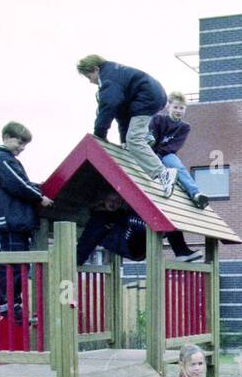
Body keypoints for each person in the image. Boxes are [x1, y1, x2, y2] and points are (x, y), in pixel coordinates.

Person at [0, 121, 53, 323]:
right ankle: (8, 305)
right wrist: (40, 196)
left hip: (16, 221)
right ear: (6, 137)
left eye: (25, 145)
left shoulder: (7, 160)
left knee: (17, 265)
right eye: (19, 142)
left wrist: (39, 187)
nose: (22, 148)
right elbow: (18, 184)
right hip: (10, 220)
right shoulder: (1, 160)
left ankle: (13, 303)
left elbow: (23, 183)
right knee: (13, 264)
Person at [75, 54, 175, 188]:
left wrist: (99, 134)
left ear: (95, 69)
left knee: (134, 139)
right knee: (130, 140)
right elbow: (122, 116)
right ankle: (145, 136)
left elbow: (108, 106)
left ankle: (163, 173)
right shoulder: (115, 74)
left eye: (89, 76)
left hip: (146, 98)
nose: (90, 81)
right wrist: (123, 141)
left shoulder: (108, 80)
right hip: (150, 96)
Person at [151, 91, 209, 207]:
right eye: (176, 107)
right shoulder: (158, 120)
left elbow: (174, 146)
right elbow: (151, 139)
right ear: (168, 107)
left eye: (181, 108)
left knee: (178, 166)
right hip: (152, 153)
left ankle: (196, 193)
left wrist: (160, 155)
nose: (178, 111)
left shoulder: (184, 127)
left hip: (167, 155)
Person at [76, 191, 146, 266]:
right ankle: (152, 224)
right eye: (110, 200)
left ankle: (152, 226)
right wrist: (77, 260)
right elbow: (88, 241)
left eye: (117, 201)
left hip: (137, 244)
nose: (113, 203)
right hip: (129, 247)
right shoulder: (98, 220)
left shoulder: (120, 214)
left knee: (133, 216)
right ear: (104, 200)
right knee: (132, 219)